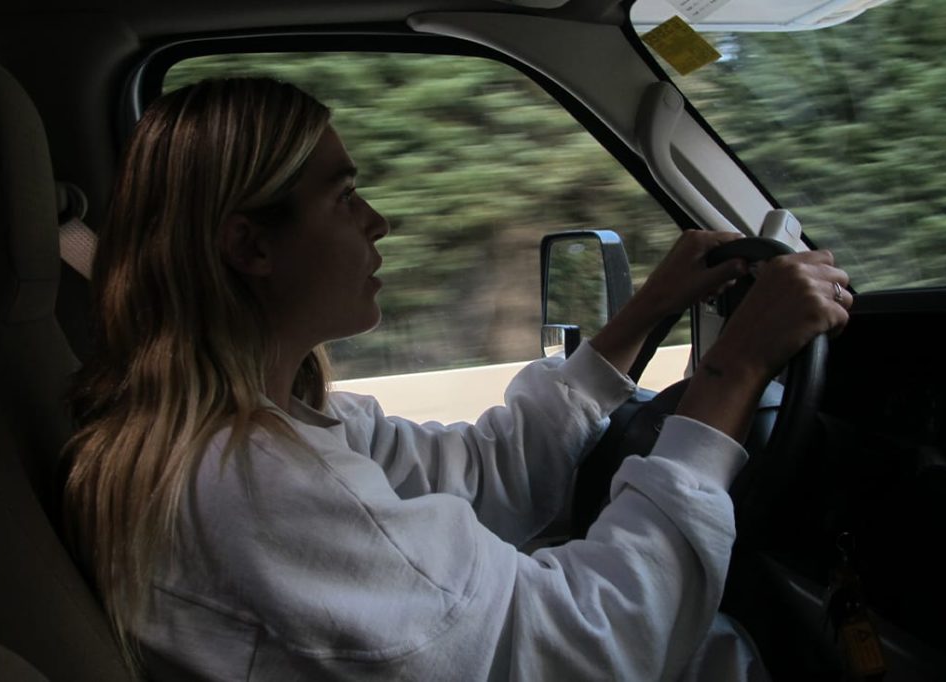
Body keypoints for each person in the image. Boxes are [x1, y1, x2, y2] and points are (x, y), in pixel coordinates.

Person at [62, 77, 852, 681]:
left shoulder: (284, 426)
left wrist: (639, 315)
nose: (378, 221)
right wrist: (732, 372)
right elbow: (588, 647)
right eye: (344, 197)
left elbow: (480, 472)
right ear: (251, 247)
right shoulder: (247, 486)